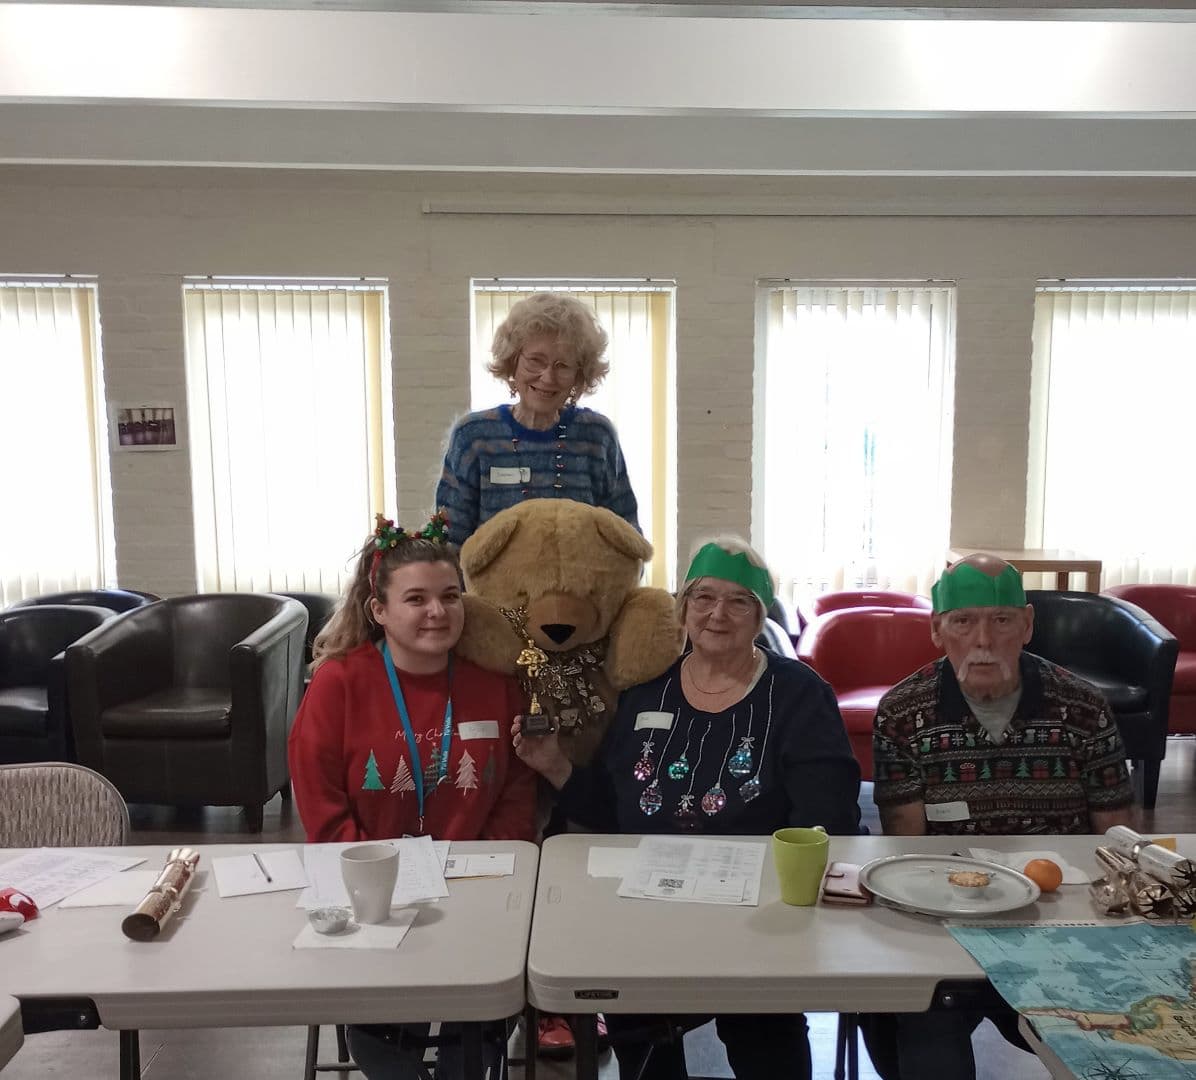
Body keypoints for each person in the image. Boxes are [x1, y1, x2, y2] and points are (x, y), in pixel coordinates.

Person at [513, 537, 861, 1080]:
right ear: (682, 608)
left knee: (768, 1043)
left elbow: (828, 817)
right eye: (704, 597)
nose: (718, 614)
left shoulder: (798, 694)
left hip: (759, 916)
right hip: (650, 910)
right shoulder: (646, 692)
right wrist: (555, 764)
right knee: (637, 1027)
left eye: (739, 601)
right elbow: (609, 808)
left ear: (760, 616)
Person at [867, 552, 1135, 1080]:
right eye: (964, 621)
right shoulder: (902, 714)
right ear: (937, 630)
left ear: (1028, 625)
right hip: (946, 928)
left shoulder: (1083, 707)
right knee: (909, 1023)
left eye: (1002, 620)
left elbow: (1116, 844)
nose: (984, 640)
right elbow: (908, 852)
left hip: (1061, 928)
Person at [288, 513, 536, 1079]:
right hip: (372, 900)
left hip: (474, 893)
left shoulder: (494, 683)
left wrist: (472, 874)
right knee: (386, 1034)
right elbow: (323, 810)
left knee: (478, 1026)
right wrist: (384, 887)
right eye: (416, 599)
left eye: (450, 596)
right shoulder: (339, 683)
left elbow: (517, 794)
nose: (437, 612)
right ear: (379, 610)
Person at [435, 291, 639, 547]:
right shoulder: (474, 436)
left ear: (578, 376)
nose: (548, 377)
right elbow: (448, 543)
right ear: (513, 361)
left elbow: (626, 537)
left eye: (563, 365)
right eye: (535, 360)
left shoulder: (597, 436)